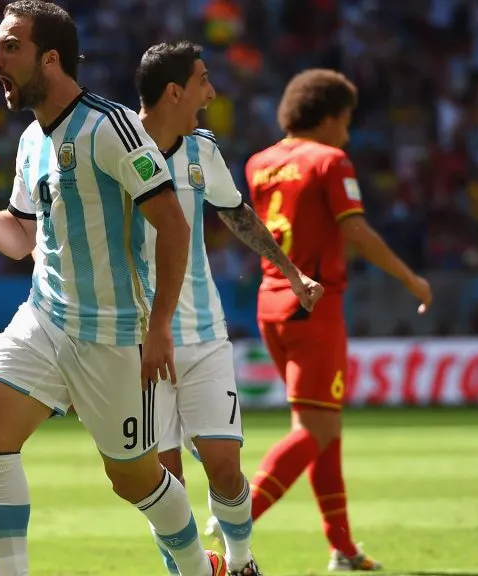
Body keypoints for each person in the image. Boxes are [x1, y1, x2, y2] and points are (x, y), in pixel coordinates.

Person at [0, 2, 226, 575]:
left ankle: (201, 569)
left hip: (113, 335)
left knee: (133, 479)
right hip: (45, 317)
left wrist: (159, 330)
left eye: (10, 47)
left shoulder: (112, 128)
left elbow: (174, 228)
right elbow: (24, 238)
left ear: (49, 58)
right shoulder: (32, 140)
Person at [210, 69, 433, 572]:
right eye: (346, 121)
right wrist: (410, 280)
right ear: (330, 117)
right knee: (315, 429)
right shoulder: (330, 160)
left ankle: (343, 548)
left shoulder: (260, 162)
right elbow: (352, 229)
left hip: (273, 303)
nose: (348, 133)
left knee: (322, 429)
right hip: (317, 304)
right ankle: (236, 515)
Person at [135, 42, 323, 576]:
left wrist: (290, 271)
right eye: (203, 81)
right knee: (162, 482)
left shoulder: (202, 152)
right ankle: (188, 570)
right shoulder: (114, 146)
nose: (212, 92)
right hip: (137, 340)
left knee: (223, 466)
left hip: (202, 332)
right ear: (175, 91)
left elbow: (237, 214)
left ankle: (240, 563)